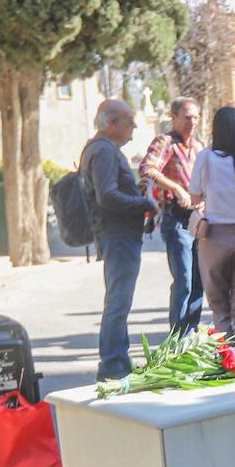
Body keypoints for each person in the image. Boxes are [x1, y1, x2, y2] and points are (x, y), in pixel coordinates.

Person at [80, 99, 158, 381]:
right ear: (112, 123)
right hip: (118, 234)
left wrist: (137, 195)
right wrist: (144, 204)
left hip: (118, 234)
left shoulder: (101, 149)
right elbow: (107, 195)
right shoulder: (103, 150)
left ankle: (118, 360)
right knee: (118, 301)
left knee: (118, 300)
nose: (134, 128)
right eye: (130, 122)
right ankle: (113, 364)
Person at [184, 105, 235, 365]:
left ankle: (227, 364)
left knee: (219, 307)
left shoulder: (205, 158)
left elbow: (194, 196)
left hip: (214, 238)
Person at [140, 96, 203, 333]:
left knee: (199, 281)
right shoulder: (166, 142)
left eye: (196, 117)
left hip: (198, 218)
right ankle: (177, 337)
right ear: (174, 117)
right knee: (184, 279)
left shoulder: (198, 146)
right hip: (176, 218)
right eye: (187, 116)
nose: (192, 122)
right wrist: (175, 188)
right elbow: (147, 168)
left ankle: (191, 334)